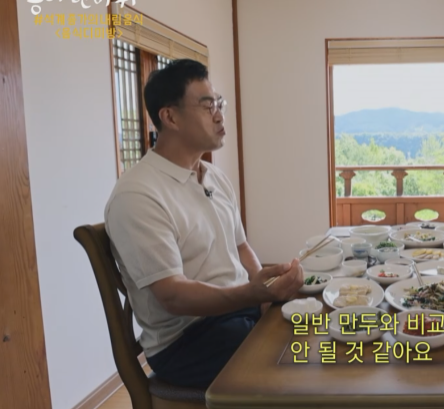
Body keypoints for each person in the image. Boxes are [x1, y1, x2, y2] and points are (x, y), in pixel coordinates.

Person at [104, 59, 303, 389]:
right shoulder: (138, 194)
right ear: (170, 117)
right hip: (187, 340)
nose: (219, 115)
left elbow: (241, 246)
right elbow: (173, 296)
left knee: (314, 325)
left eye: (219, 103)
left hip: (238, 314)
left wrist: (264, 293)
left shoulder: (214, 177)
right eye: (208, 106)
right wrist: (250, 294)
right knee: (296, 360)